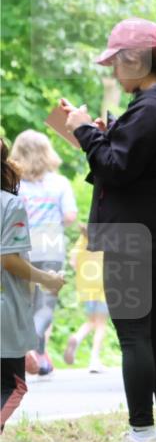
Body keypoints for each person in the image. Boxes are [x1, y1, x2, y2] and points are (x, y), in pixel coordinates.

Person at [65, 18, 156, 442]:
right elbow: (129, 160)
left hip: (130, 234)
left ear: (133, 60)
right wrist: (101, 135)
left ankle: (142, 435)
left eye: (115, 64)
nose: (112, 73)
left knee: (134, 335)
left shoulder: (151, 109)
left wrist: (84, 130)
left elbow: (116, 167)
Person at [2, 139, 66, 432]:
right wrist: (47, 279)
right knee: (12, 387)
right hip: (6, 307)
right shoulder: (10, 203)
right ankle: (29, 350)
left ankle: (29, 349)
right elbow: (9, 260)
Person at [9, 130, 78, 377]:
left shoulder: (13, 183)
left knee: (22, 303)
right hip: (51, 247)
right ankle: (34, 344)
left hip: (20, 246)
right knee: (45, 304)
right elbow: (70, 216)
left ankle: (28, 353)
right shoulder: (60, 183)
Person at [63, 225, 110, 373]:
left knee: (92, 321)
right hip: (103, 285)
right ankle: (94, 360)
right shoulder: (107, 238)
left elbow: (73, 261)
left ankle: (76, 338)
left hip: (86, 285)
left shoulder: (83, 239)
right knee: (101, 324)